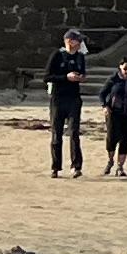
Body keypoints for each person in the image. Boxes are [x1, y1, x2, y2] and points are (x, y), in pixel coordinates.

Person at [46, 28, 89, 176]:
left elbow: (83, 73)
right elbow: (47, 77)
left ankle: (76, 166)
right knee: (56, 133)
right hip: (58, 98)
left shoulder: (80, 57)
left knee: (74, 132)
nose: (80, 43)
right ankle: (55, 167)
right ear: (69, 41)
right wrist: (66, 77)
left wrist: (80, 77)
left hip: (74, 98)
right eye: (78, 40)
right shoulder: (57, 55)